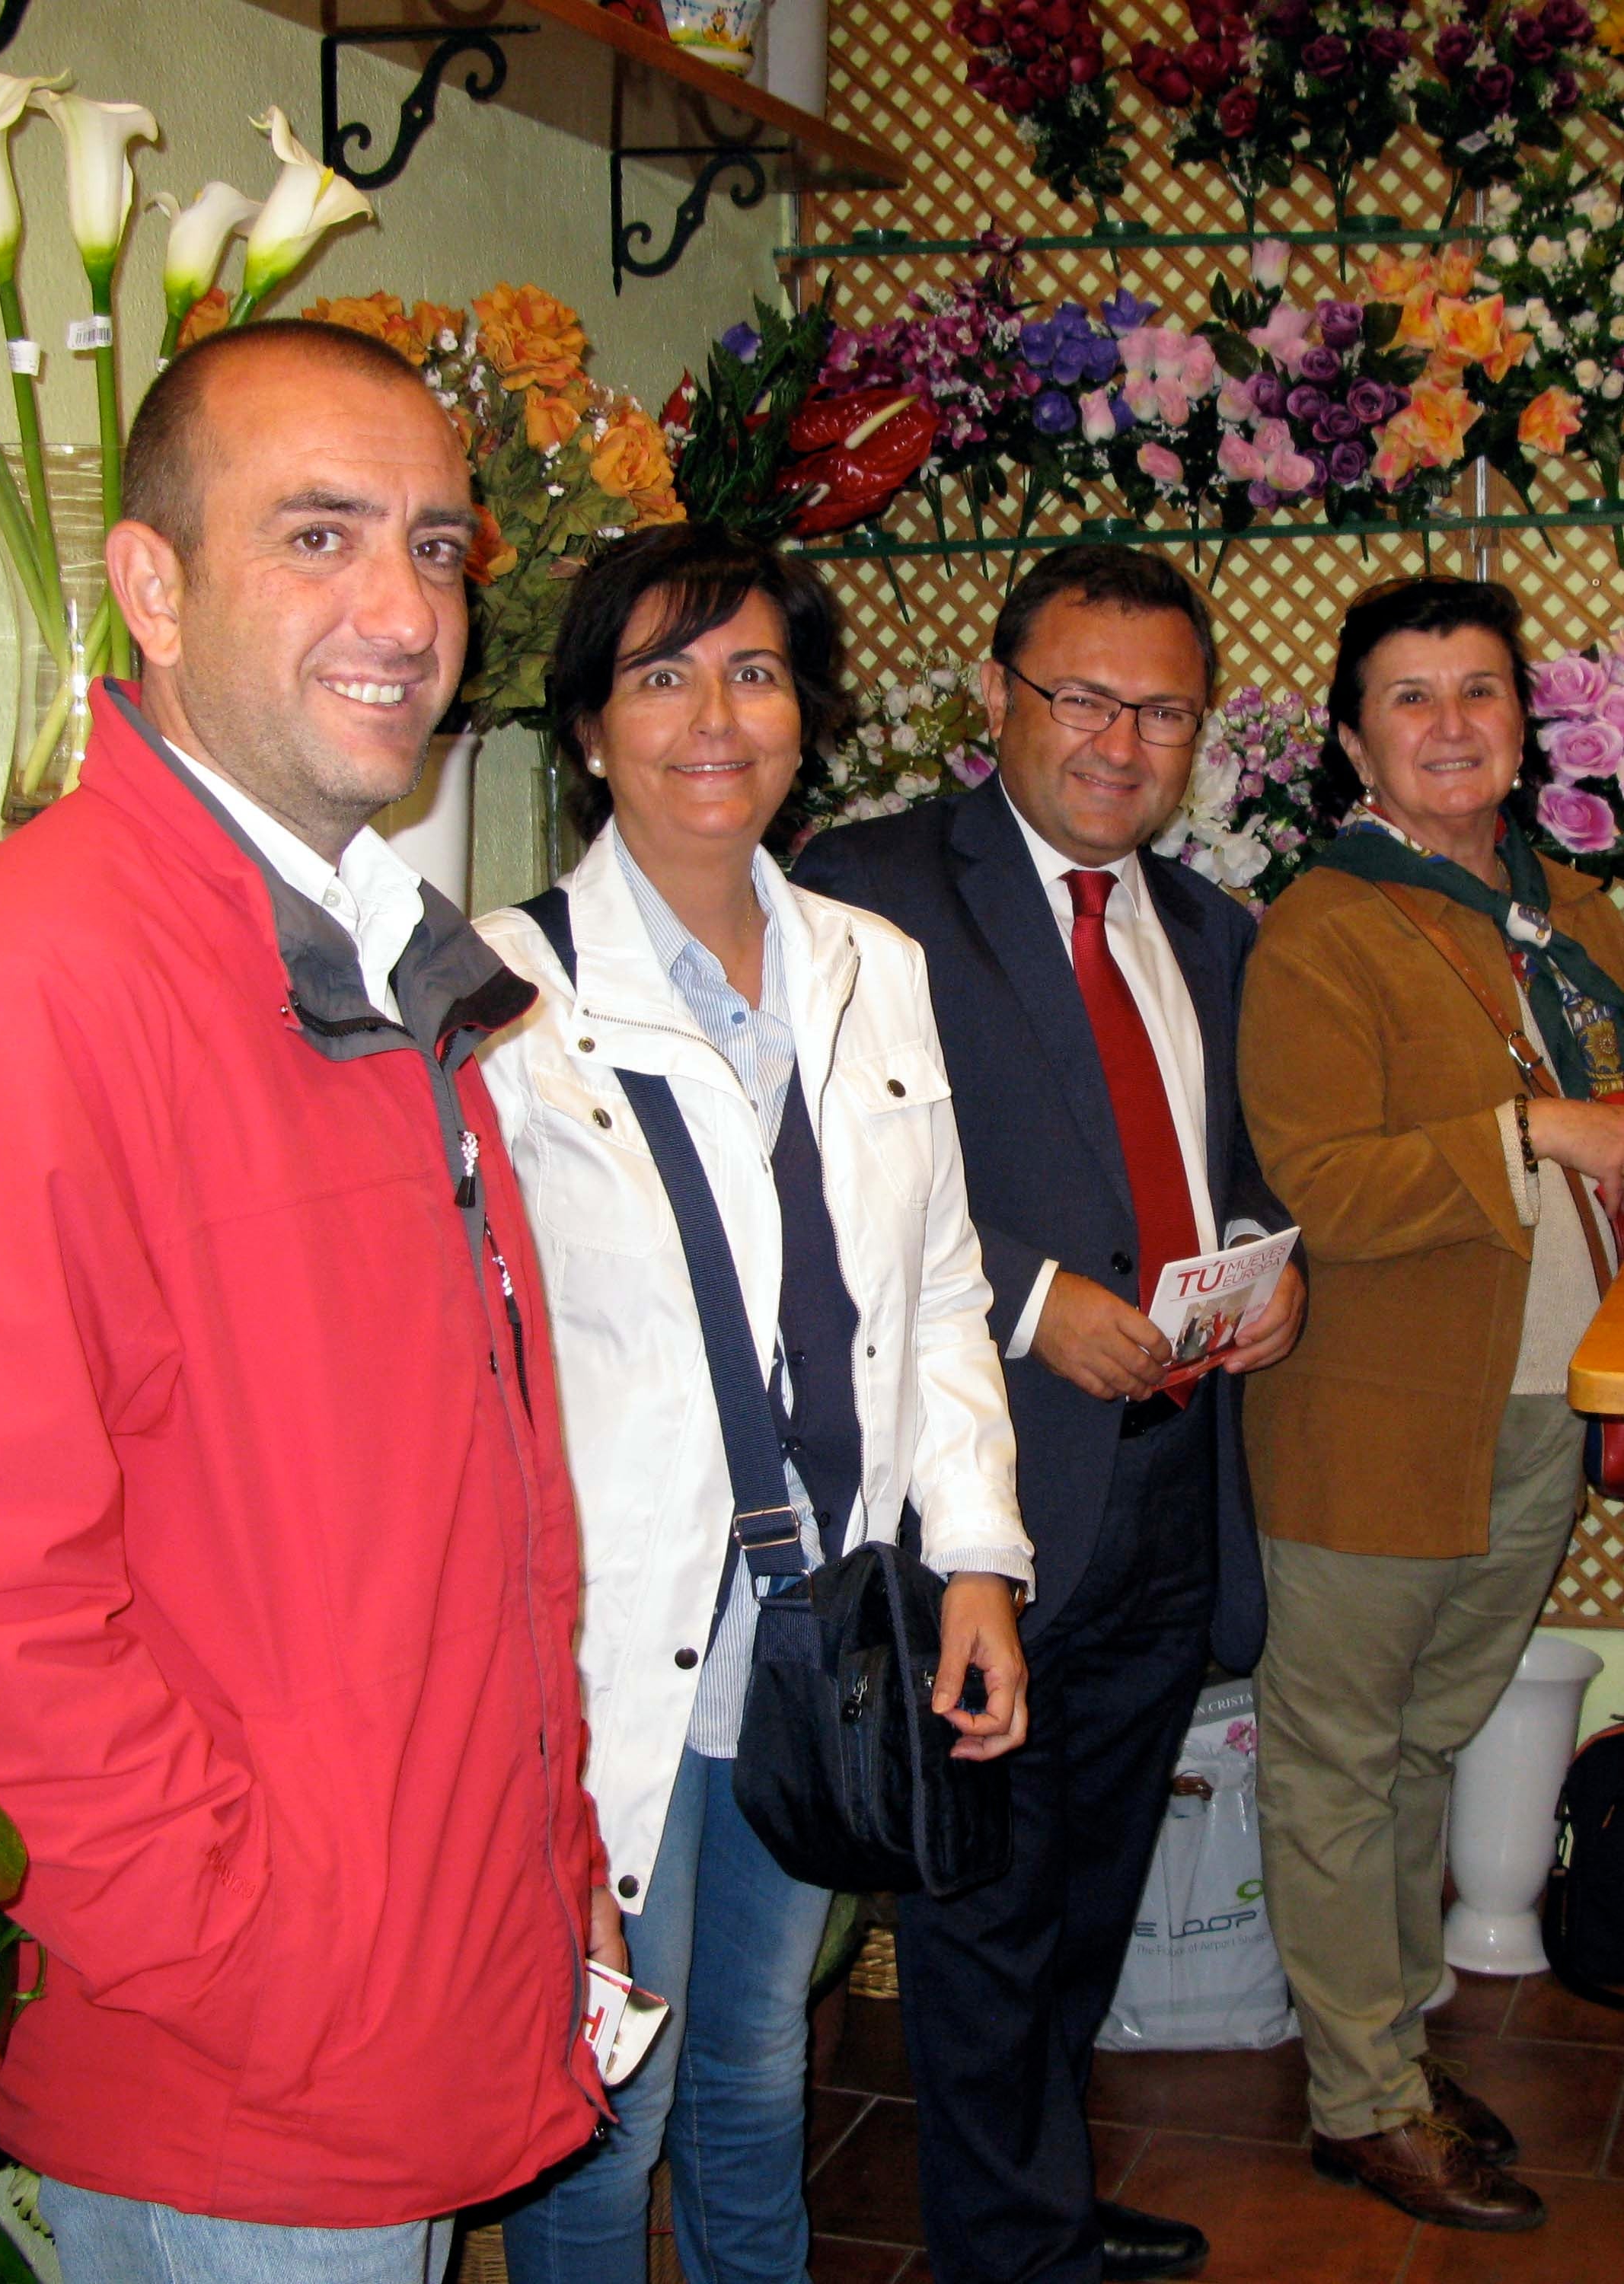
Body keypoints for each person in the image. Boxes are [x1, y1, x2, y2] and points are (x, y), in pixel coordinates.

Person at [0, 321, 616, 2281]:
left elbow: (445, 1513)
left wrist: (530, 1869)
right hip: (252, 2052)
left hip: (403, 1959)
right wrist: (271, 1948)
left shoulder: (366, 954)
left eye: (432, 544)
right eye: (316, 536)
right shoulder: (44, 980)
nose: (401, 608)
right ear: (148, 586)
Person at [474, 526, 1033, 2284]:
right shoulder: (492, 988)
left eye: (754, 670)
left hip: (815, 1630)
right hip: (597, 1635)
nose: (712, 714)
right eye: (658, 674)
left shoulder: (877, 963)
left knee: (754, 2055)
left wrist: (978, 1557)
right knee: (603, 2089)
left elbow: (935, 1285)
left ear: (807, 712)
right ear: (583, 727)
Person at [793, 544, 1305, 2284]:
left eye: (1160, 708)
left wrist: (1260, 1263)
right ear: (1001, 698)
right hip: (978, 1491)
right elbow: (815, 1157)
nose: (1119, 739)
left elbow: (1224, 1171)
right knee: (984, 1904)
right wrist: (1019, 1295)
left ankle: (1038, 2193)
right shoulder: (864, 892)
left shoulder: (1213, 931)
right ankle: (1010, 2246)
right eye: (1082, 696)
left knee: (1084, 1891)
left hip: (1167, 1489)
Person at [1235, 577, 1624, 2231]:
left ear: (1524, 725)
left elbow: (1621, 1158)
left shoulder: (1567, 911)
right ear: (1349, 741)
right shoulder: (1322, 922)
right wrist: (1530, 1138)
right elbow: (1317, 1183)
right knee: (1336, 1752)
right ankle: (1361, 2095)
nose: (1450, 724)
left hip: (1537, 1395)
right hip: (1375, 1409)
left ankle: (1380, 2056)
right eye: (1408, 697)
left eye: (1477, 692)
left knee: (1419, 1743)